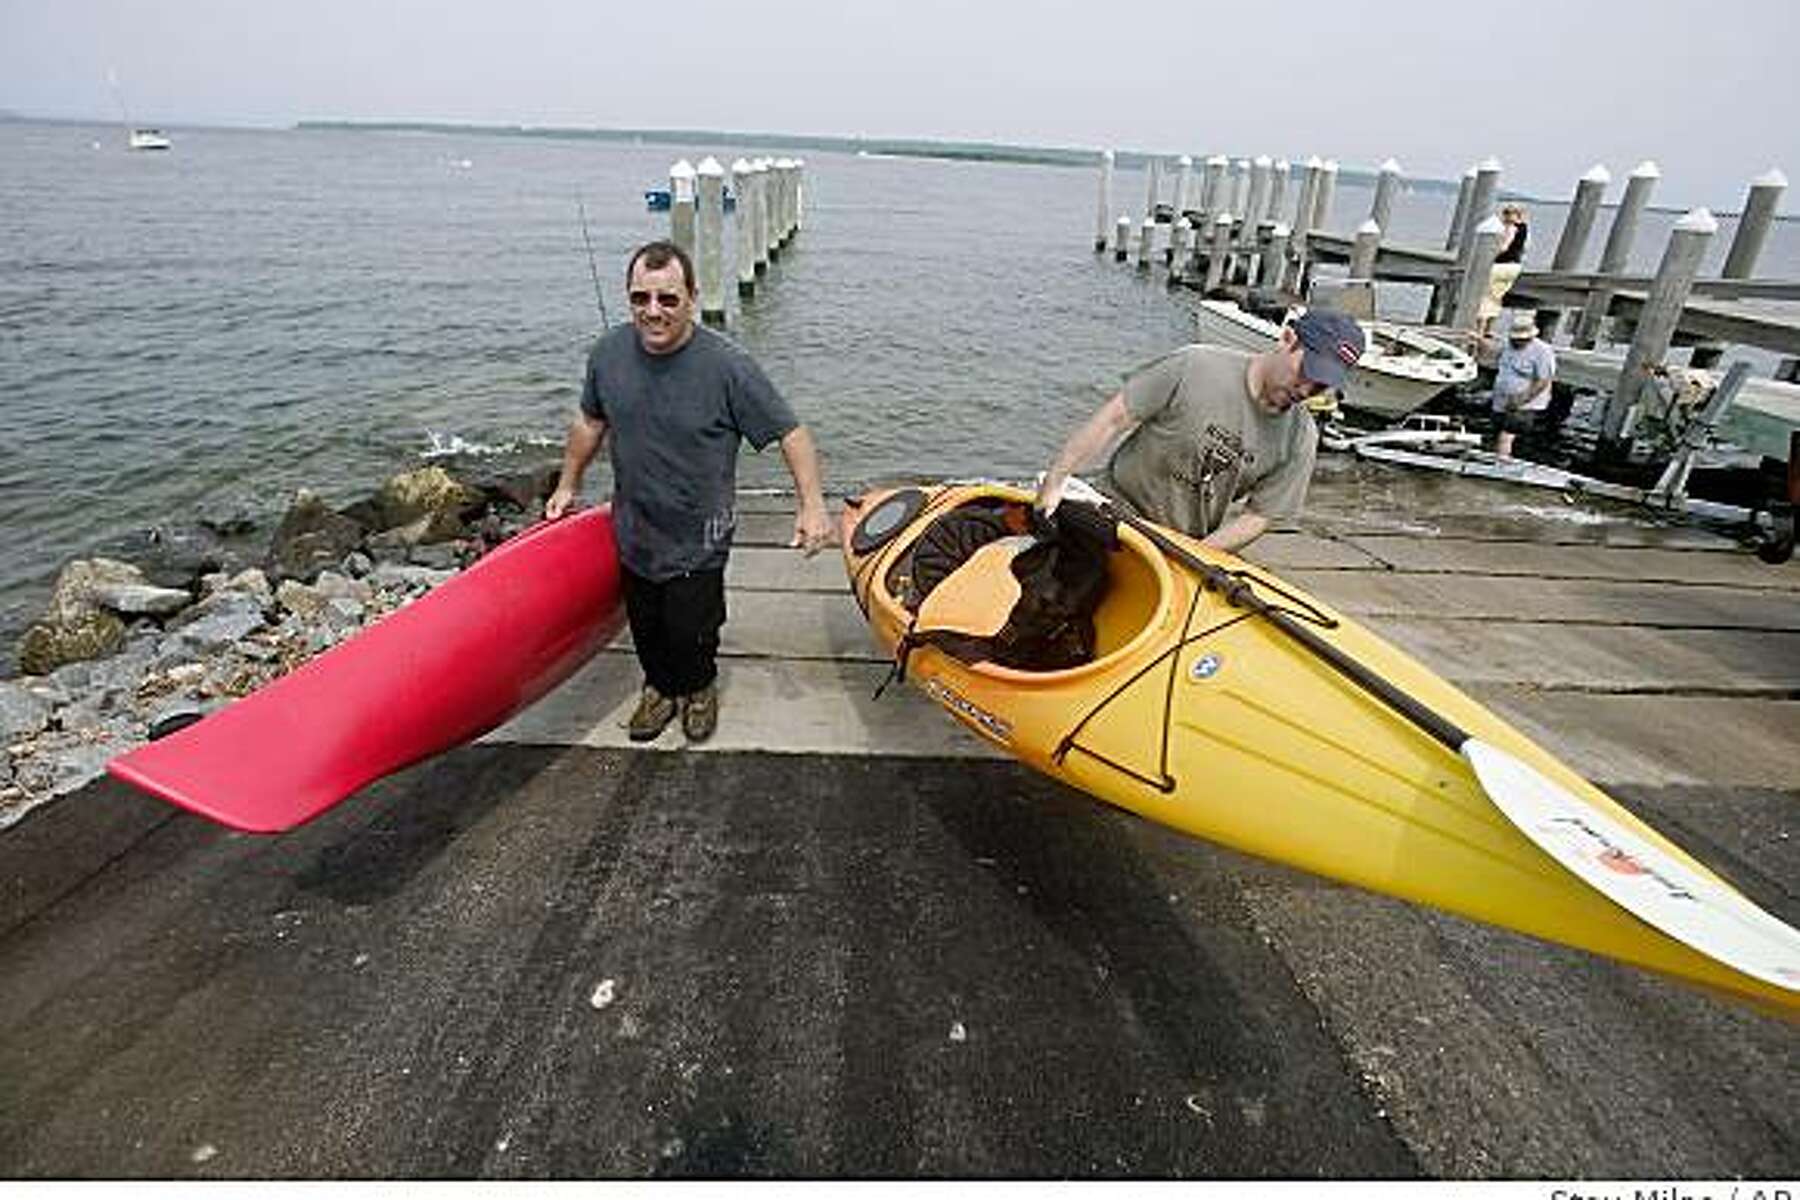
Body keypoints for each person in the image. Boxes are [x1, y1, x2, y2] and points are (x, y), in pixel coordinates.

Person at [545, 240, 833, 744]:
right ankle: (658, 687)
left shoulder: (729, 367)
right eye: (640, 298)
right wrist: (567, 484)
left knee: (692, 628)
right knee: (646, 623)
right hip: (635, 526)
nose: (652, 312)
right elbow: (590, 423)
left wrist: (812, 506)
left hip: (701, 533)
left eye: (667, 299)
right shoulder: (608, 353)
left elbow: (792, 433)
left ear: (692, 298)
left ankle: (698, 687)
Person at [1036, 308, 1366, 555]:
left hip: (1180, 542)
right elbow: (1114, 418)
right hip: (1111, 509)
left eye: (1320, 384)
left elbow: (1259, 516)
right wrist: (1055, 481)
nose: (1306, 388)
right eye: (1305, 371)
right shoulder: (1194, 366)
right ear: (1287, 339)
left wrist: (1195, 554)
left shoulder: (1300, 437)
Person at [1489, 313, 1557, 461]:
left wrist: (1522, 399)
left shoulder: (1543, 351)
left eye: (1521, 339)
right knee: (1498, 431)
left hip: (1525, 403)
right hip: (1501, 400)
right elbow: (1496, 356)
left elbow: (1543, 380)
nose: (1517, 342)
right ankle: (1503, 458)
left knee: (1507, 434)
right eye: (1515, 338)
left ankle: (1501, 462)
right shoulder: (1507, 345)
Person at [1478, 203, 1529, 336]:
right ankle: (1489, 330)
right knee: (1497, 297)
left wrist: (1488, 255)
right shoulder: (1524, 228)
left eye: (1506, 213)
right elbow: (1524, 249)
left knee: (1484, 296)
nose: (1504, 215)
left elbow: (1504, 248)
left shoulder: (1510, 228)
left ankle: (1480, 330)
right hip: (1514, 268)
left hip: (1501, 266)